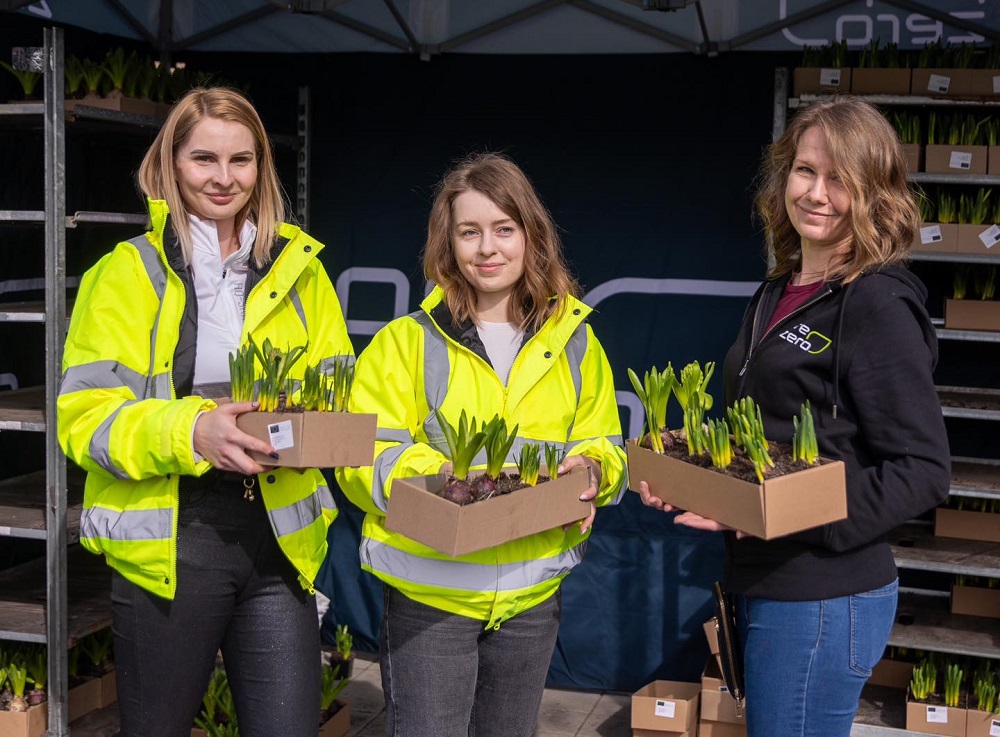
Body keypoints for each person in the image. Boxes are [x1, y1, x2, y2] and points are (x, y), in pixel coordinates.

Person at [638, 97, 951, 737]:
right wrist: (689, 477)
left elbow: (922, 470)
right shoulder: (776, 291)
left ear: (875, 194)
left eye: (840, 179)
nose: (816, 193)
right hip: (765, 581)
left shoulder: (876, 307)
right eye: (804, 170)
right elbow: (771, 438)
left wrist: (785, 514)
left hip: (825, 594)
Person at [57, 87, 353, 737]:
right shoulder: (127, 274)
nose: (224, 178)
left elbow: (337, 399)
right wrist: (190, 428)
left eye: (241, 160)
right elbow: (84, 418)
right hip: (174, 540)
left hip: (277, 543)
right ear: (171, 162)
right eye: (204, 159)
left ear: (261, 168)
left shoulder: (302, 273)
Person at [336, 152, 627, 737]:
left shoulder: (575, 343)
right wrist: (445, 477)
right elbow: (359, 452)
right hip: (430, 598)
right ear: (449, 244)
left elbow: (603, 439)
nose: (487, 248)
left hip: (530, 601)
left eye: (503, 229)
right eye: (469, 232)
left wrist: (594, 470)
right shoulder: (406, 342)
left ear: (531, 237)